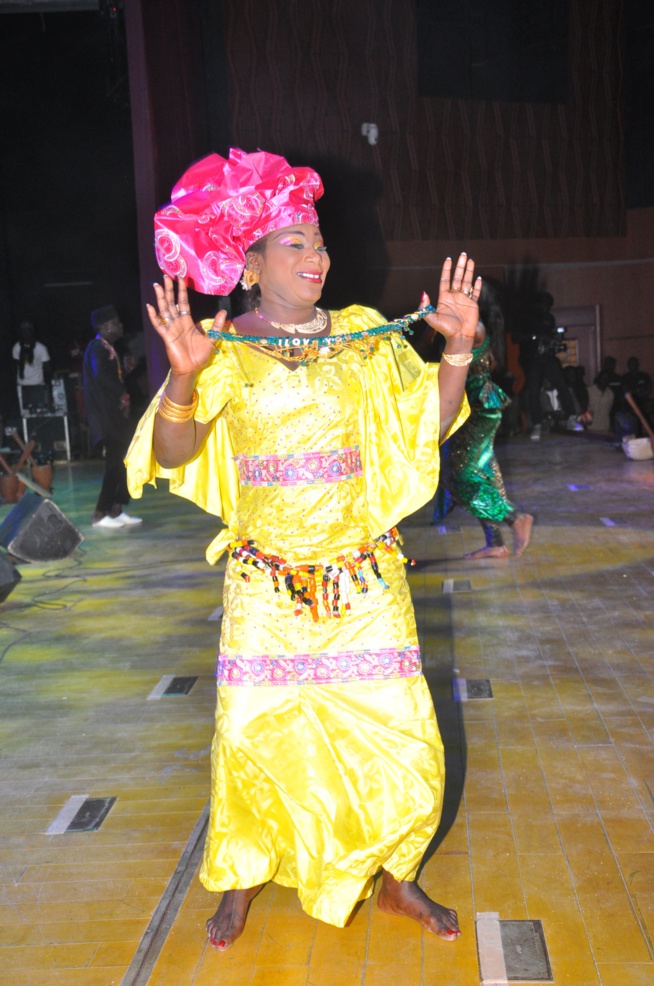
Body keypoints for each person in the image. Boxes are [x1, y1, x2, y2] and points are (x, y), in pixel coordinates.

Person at [125, 148, 481, 951]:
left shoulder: (362, 336)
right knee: (253, 733)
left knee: (396, 730)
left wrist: (455, 348)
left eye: (318, 242)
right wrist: (182, 379)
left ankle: (398, 878)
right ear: (250, 263)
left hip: (365, 582)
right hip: (267, 585)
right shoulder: (222, 347)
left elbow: (424, 420)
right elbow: (176, 454)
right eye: (295, 243)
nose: (317, 256)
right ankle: (243, 879)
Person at [432, 286, 533, 558]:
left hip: (476, 409)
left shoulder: (474, 327)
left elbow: (475, 336)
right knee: (482, 477)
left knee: (459, 479)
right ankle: (495, 543)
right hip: (472, 407)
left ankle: (515, 518)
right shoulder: (463, 328)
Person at [83, 305, 142, 528]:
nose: (120, 326)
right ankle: (100, 513)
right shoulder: (97, 348)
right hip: (108, 418)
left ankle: (116, 508)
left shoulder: (106, 347)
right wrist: (122, 392)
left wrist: (126, 372)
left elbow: (110, 377)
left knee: (129, 460)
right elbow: (102, 378)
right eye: (116, 323)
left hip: (115, 416)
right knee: (116, 463)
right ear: (105, 326)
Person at [12, 320, 51, 386]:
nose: (26, 334)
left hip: (38, 384)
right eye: (23, 331)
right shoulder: (16, 347)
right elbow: (16, 365)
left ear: (32, 333)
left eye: (28, 331)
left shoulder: (41, 348)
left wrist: (48, 382)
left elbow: (47, 368)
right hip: (22, 384)